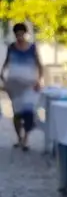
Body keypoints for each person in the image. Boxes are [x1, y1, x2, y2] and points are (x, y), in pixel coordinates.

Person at [0, 23, 43, 151]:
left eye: (21, 34)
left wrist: (38, 81)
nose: (19, 37)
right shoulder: (11, 48)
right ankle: (19, 138)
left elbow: (39, 65)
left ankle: (26, 139)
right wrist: (3, 79)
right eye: (17, 34)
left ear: (25, 34)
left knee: (29, 112)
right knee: (17, 114)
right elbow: (6, 64)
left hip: (29, 85)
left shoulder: (32, 48)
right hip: (15, 86)